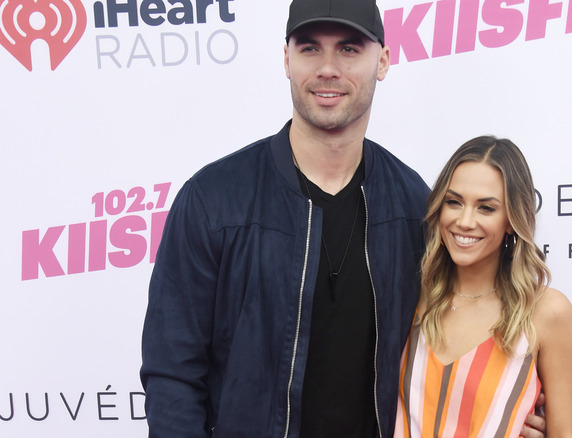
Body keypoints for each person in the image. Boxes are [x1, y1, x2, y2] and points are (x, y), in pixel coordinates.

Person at [140, 0, 549, 436]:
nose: (328, 69)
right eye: (310, 49)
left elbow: (460, 327)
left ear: (384, 61)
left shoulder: (415, 207)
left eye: (350, 49)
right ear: (286, 59)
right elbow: (172, 374)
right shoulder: (214, 201)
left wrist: (503, 410)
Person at [395, 136, 572, 437]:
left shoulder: (546, 312)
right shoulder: (410, 296)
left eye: (486, 208)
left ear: (511, 219)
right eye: (454, 202)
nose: (465, 221)